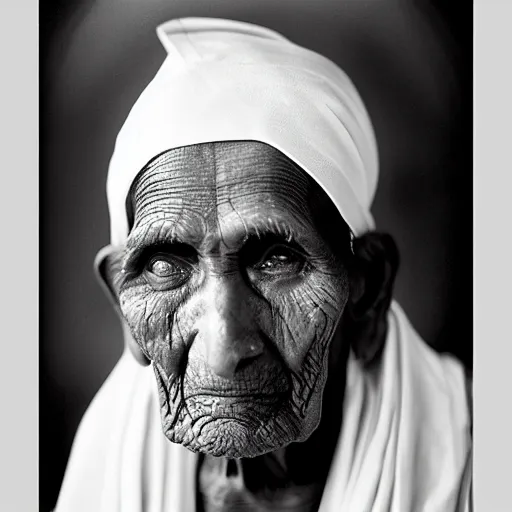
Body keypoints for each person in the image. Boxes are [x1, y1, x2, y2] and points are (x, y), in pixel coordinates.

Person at [55, 18, 472, 512]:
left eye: (276, 260)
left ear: (368, 288)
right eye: (167, 266)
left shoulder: (475, 463)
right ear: (123, 306)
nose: (224, 347)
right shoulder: (108, 466)